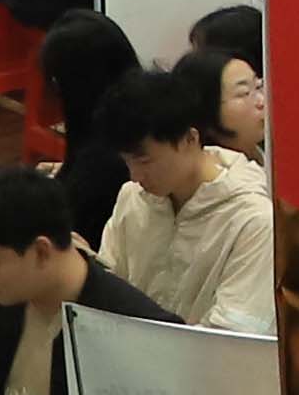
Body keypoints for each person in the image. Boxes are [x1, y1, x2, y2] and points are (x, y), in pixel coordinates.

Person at [102, 54, 278, 330]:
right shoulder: (133, 198)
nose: (135, 176)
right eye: (127, 162)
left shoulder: (253, 219)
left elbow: (231, 333)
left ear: (190, 139)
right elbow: (110, 288)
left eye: (145, 161)